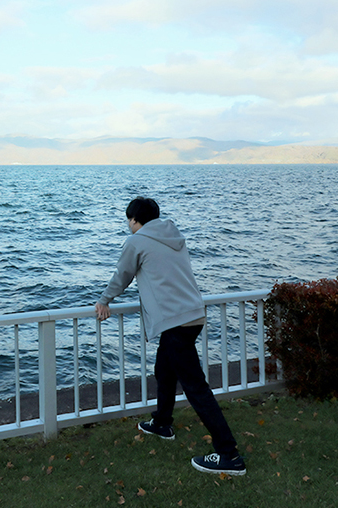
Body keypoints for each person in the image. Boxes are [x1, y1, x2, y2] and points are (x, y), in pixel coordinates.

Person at [94, 197, 246, 476]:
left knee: (196, 388)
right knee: (164, 370)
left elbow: (122, 274)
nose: (128, 225)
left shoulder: (136, 241)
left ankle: (229, 454)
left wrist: (104, 300)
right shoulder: (174, 236)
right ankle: (161, 423)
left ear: (134, 220)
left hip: (175, 322)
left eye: (129, 220)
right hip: (193, 315)